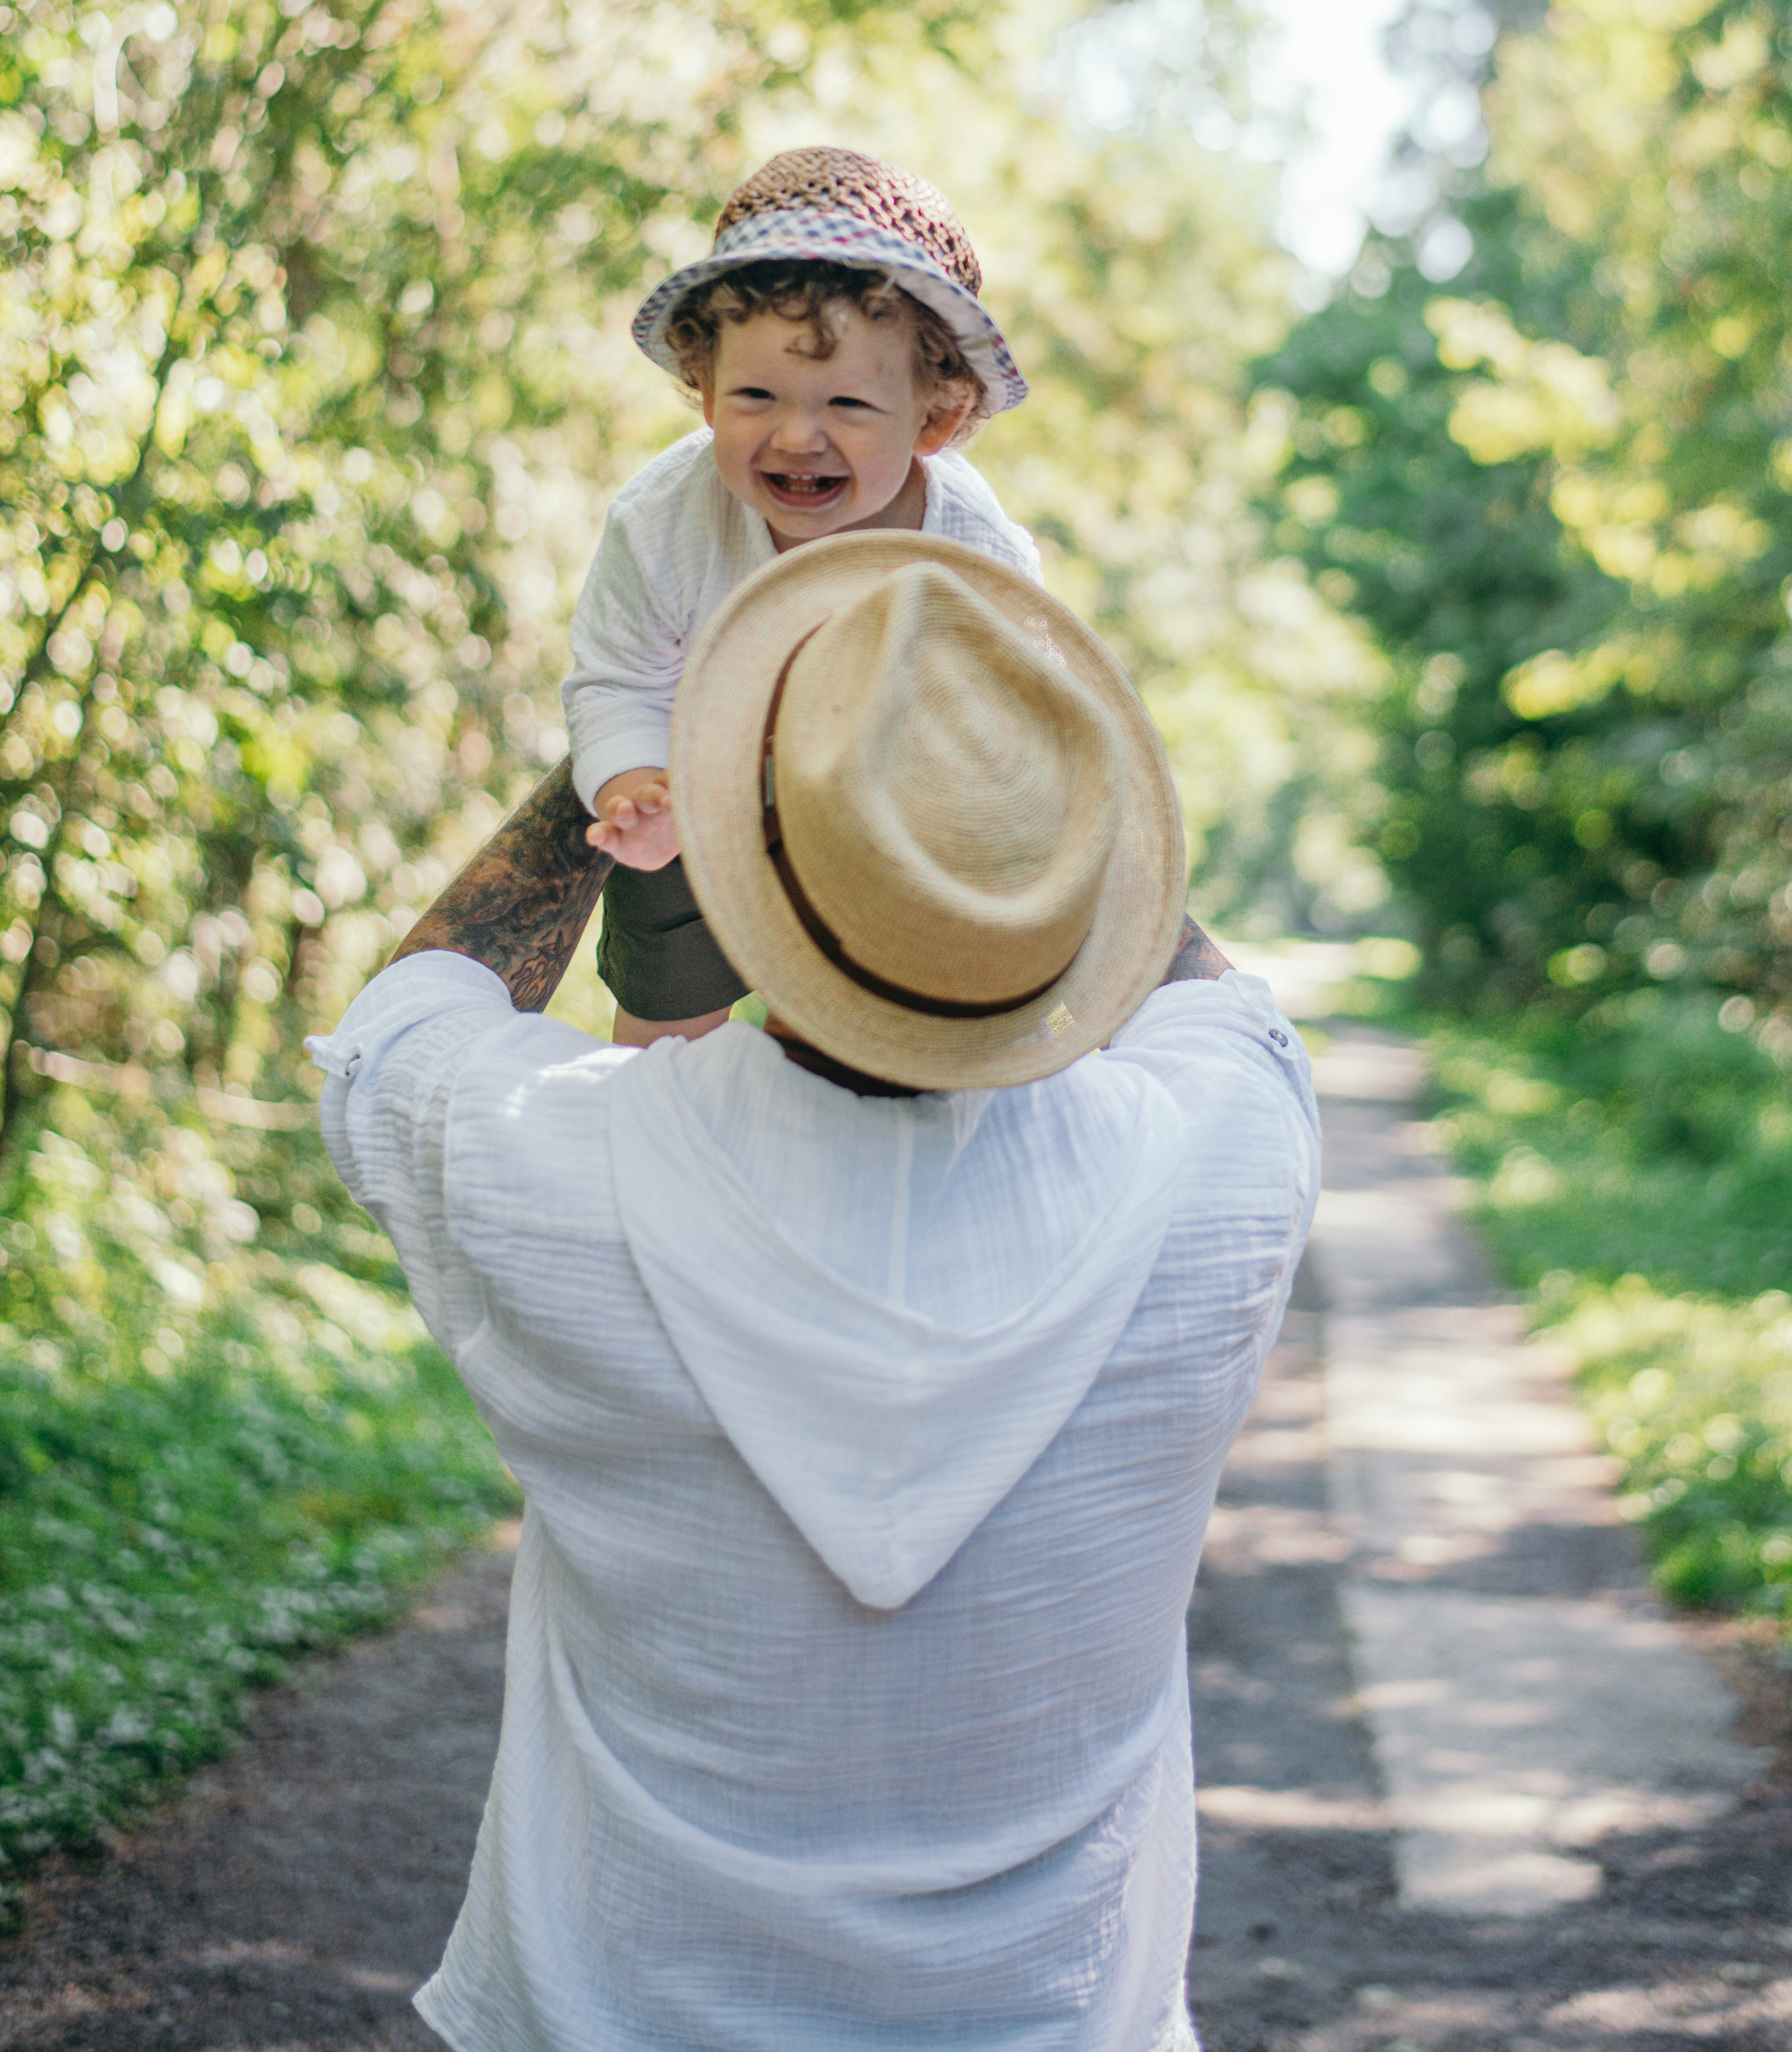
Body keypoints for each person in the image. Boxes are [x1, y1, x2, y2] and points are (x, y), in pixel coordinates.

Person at [307, 534, 1319, 2052]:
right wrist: (1014, 774)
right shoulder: (1215, 1169)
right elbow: (1221, 1009)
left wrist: (626, 747)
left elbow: (407, 1021)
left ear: (737, 850)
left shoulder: (556, 1169)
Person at [563, 144, 1040, 1049]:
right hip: (704, 795)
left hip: (888, 817)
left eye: (849, 406)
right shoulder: (666, 523)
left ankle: (817, 1102)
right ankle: (670, 1125)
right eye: (755, 393)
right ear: (702, 389)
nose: (796, 435)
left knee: (855, 1026)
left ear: (933, 415)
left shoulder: (969, 553)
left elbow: (1025, 708)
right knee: (663, 1025)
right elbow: (617, 681)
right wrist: (633, 787)